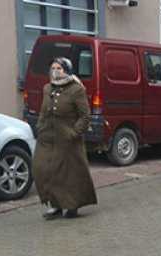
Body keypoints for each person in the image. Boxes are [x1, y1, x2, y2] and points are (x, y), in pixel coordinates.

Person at [33, 57, 97, 219]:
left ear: (67, 70)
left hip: (67, 138)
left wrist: (74, 133)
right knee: (44, 169)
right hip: (47, 137)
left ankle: (71, 205)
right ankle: (55, 205)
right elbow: (43, 111)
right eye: (53, 68)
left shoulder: (76, 89)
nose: (55, 71)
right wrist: (40, 127)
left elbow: (85, 116)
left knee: (68, 174)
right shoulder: (47, 88)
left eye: (59, 68)